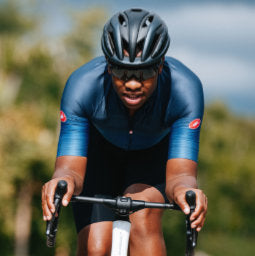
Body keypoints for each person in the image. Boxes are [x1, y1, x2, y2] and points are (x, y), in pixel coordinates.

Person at [42, 8, 207, 256]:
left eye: (145, 72)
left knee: (142, 220)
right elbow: (70, 168)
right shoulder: (82, 86)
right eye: (121, 71)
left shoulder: (185, 90)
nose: (132, 82)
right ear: (108, 66)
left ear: (161, 65)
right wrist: (61, 182)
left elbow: (181, 175)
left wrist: (186, 191)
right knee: (96, 247)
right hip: (100, 157)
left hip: (151, 158)